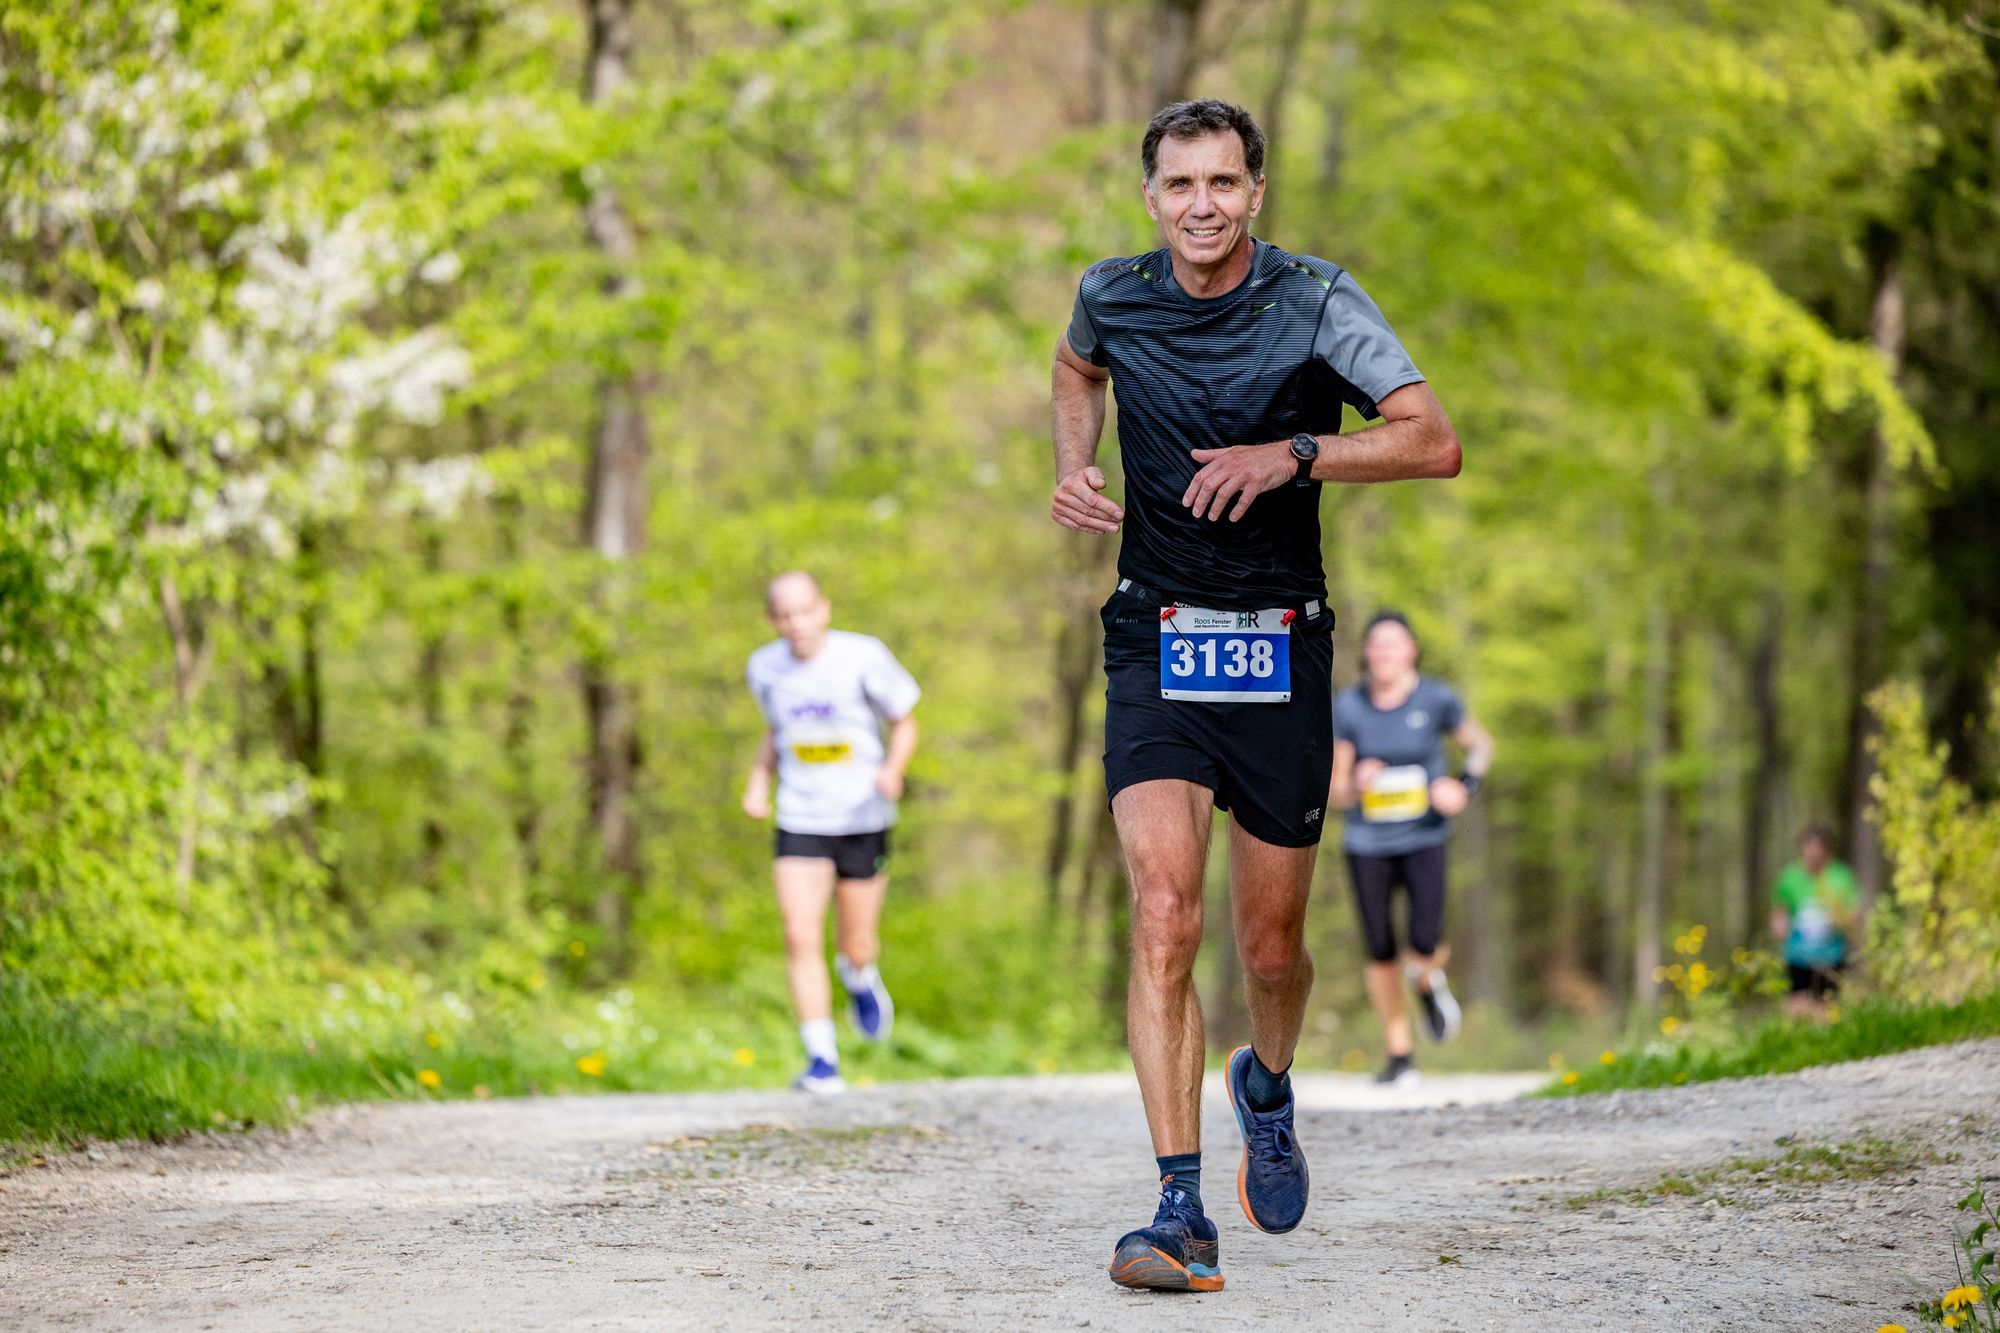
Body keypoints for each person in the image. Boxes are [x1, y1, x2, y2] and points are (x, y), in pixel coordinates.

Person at [1051, 98, 1459, 1293]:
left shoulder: (1317, 299)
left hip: (1280, 645)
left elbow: (1430, 440)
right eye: (1178, 185)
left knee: (1269, 949)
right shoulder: (1109, 294)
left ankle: (1265, 1086)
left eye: (1222, 183)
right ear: (1150, 198)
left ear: (1255, 192)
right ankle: (1177, 1208)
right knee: (1164, 915)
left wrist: (1291, 453)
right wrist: (1073, 463)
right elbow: (1076, 366)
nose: (1200, 206)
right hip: (1153, 635)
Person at [742, 571, 920, 1094]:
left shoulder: (862, 656)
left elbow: (905, 719)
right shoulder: (764, 667)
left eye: (804, 611)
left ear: (824, 608)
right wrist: (757, 783)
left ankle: (860, 976)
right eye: (784, 615)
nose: (795, 624)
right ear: (773, 620)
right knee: (799, 933)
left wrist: (893, 768)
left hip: (862, 816)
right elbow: (776, 732)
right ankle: (822, 1059)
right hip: (800, 816)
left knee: (857, 943)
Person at [1328, 611, 1494, 1087]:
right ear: (1365, 653)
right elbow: (1335, 790)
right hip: (1367, 842)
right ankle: (1400, 1054)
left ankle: (1426, 980)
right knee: (1379, 948)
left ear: (1412, 651)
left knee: (1424, 939)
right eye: (1375, 645)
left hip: (1425, 836)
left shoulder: (1437, 698)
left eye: (1393, 644)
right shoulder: (1349, 707)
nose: (1383, 653)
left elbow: (1481, 746)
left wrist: (1463, 785)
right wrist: (1355, 783)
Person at [1770, 824, 1860, 1021]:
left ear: (1826, 851)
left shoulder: (1841, 877)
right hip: (1797, 954)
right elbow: (1779, 912)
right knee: (1797, 1005)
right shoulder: (1789, 877)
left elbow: (1853, 914)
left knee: (1826, 1007)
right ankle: (1799, 1042)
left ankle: (1825, 1044)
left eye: (1817, 849)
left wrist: (1841, 920)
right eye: (1808, 849)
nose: (1812, 854)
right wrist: (1779, 927)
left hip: (1830, 954)